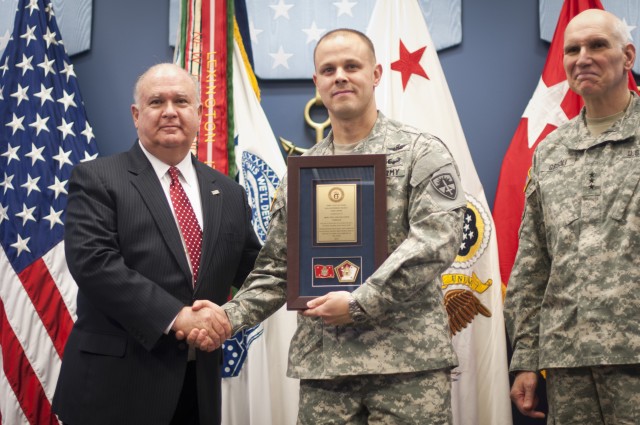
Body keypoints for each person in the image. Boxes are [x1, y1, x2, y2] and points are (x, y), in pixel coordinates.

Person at [203, 28, 467, 424]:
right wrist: (229, 316)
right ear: (317, 82)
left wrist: (361, 301)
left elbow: (435, 242)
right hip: (325, 370)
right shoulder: (300, 174)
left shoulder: (420, 152)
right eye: (328, 69)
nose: (340, 76)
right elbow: (278, 267)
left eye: (351, 66)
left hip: (406, 366)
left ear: (376, 74)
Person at [52, 63, 262, 425]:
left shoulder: (229, 192)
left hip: (198, 389)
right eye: (156, 101)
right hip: (114, 390)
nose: (169, 111)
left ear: (198, 114)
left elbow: (259, 271)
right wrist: (176, 316)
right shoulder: (98, 178)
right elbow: (94, 263)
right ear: (136, 115)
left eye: (181, 101)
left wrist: (313, 274)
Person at [504, 9, 640, 424]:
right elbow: (533, 263)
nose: (583, 57)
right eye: (572, 49)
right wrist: (526, 358)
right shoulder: (550, 151)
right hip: (568, 360)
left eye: (598, 45)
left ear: (628, 56)